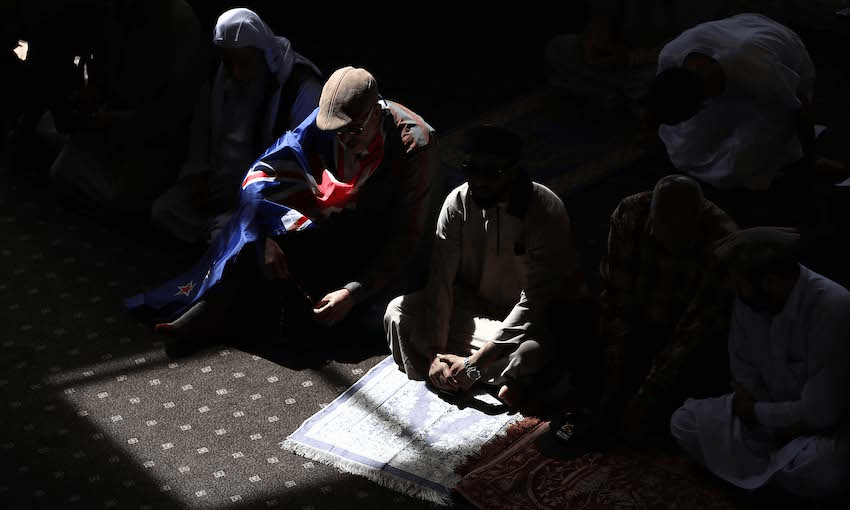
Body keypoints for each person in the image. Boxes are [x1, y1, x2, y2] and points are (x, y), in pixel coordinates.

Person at [130, 66, 439, 358]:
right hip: (341, 225)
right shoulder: (328, 124)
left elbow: (406, 239)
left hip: (385, 242)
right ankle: (212, 309)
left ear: (375, 112)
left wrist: (352, 292)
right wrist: (264, 235)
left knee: (372, 321)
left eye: (353, 131)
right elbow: (265, 173)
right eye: (338, 132)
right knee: (256, 240)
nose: (344, 140)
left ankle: (240, 314)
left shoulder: (415, 146)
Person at [384, 125, 591, 410]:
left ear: (514, 170)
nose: (479, 181)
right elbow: (441, 282)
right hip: (474, 315)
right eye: (472, 170)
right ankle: (470, 374)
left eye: (492, 173)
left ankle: (478, 373)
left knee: (531, 354)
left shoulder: (544, 212)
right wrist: (434, 352)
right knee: (398, 312)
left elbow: (534, 305)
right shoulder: (457, 203)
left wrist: (476, 363)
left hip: (526, 326)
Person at [670, 227, 850, 501]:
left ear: (771, 281)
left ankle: (761, 475)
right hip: (762, 419)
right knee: (683, 422)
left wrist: (757, 413)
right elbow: (742, 368)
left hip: (817, 431)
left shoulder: (832, 307)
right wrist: (751, 406)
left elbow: (820, 414)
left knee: (822, 470)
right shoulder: (751, 300)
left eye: (739, 282)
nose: (734, 288)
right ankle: (772, 477)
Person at [647, 13, 847, 230]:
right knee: (688, 143)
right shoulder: (670, 56)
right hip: (737, 34)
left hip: (777, 51)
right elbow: (662, 107)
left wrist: (810, 159)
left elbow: (801, 107)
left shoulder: (758, 73)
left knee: (746, 163)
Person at [150, 8, 323, 245]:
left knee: (223, 237)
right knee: (164, 211)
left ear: (262, 53)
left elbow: (304, 161)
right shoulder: (220, 76)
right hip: (217, 189)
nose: (236, 74)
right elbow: (201, 132)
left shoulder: (299, 87)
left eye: (243, 63)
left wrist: (253, 201)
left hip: (264, 198)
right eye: (229, 64)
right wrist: (198, 175)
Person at [594, 174, 737, 444]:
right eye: (664, 232)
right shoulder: (630, 214)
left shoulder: (723, 240)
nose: (671, 243)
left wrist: (647, 394)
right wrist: (615, 366)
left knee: (669, 418)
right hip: (640, 316)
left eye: (680, 236)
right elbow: (617, 296)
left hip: (688, 331)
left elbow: (692, 329)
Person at [48, 0, 206, 217]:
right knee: (62, 172)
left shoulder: (178, 19)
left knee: (124, 200)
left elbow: (175, 112)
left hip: (154, 139)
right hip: (112, 127)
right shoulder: (115, 12)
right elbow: (103, 72)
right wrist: (94, 96)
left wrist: (115, 120)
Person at [543, 1, 732, 119]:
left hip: (669, 61)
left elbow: (697, 40)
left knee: (682, 80)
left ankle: (634, 102)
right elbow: (603, 11)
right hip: (623, 56)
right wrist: (597, 34)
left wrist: (632, 59)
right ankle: (639, 102)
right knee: (559, 50)